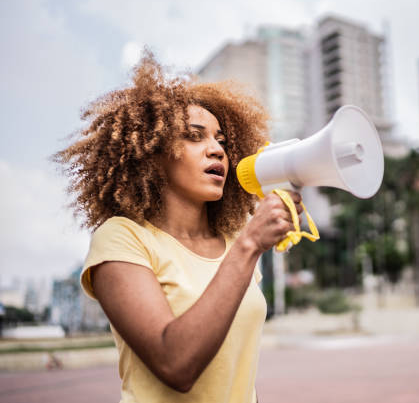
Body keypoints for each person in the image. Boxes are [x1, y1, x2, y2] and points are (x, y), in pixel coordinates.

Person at [54, 50, 302, 403]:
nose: (216, 150)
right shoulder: (122, 238)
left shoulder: (234, 243)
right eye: (194, 136)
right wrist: (250, 246)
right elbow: (175, 365)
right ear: (152, 153)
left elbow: (238, 375)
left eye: (221, 140)